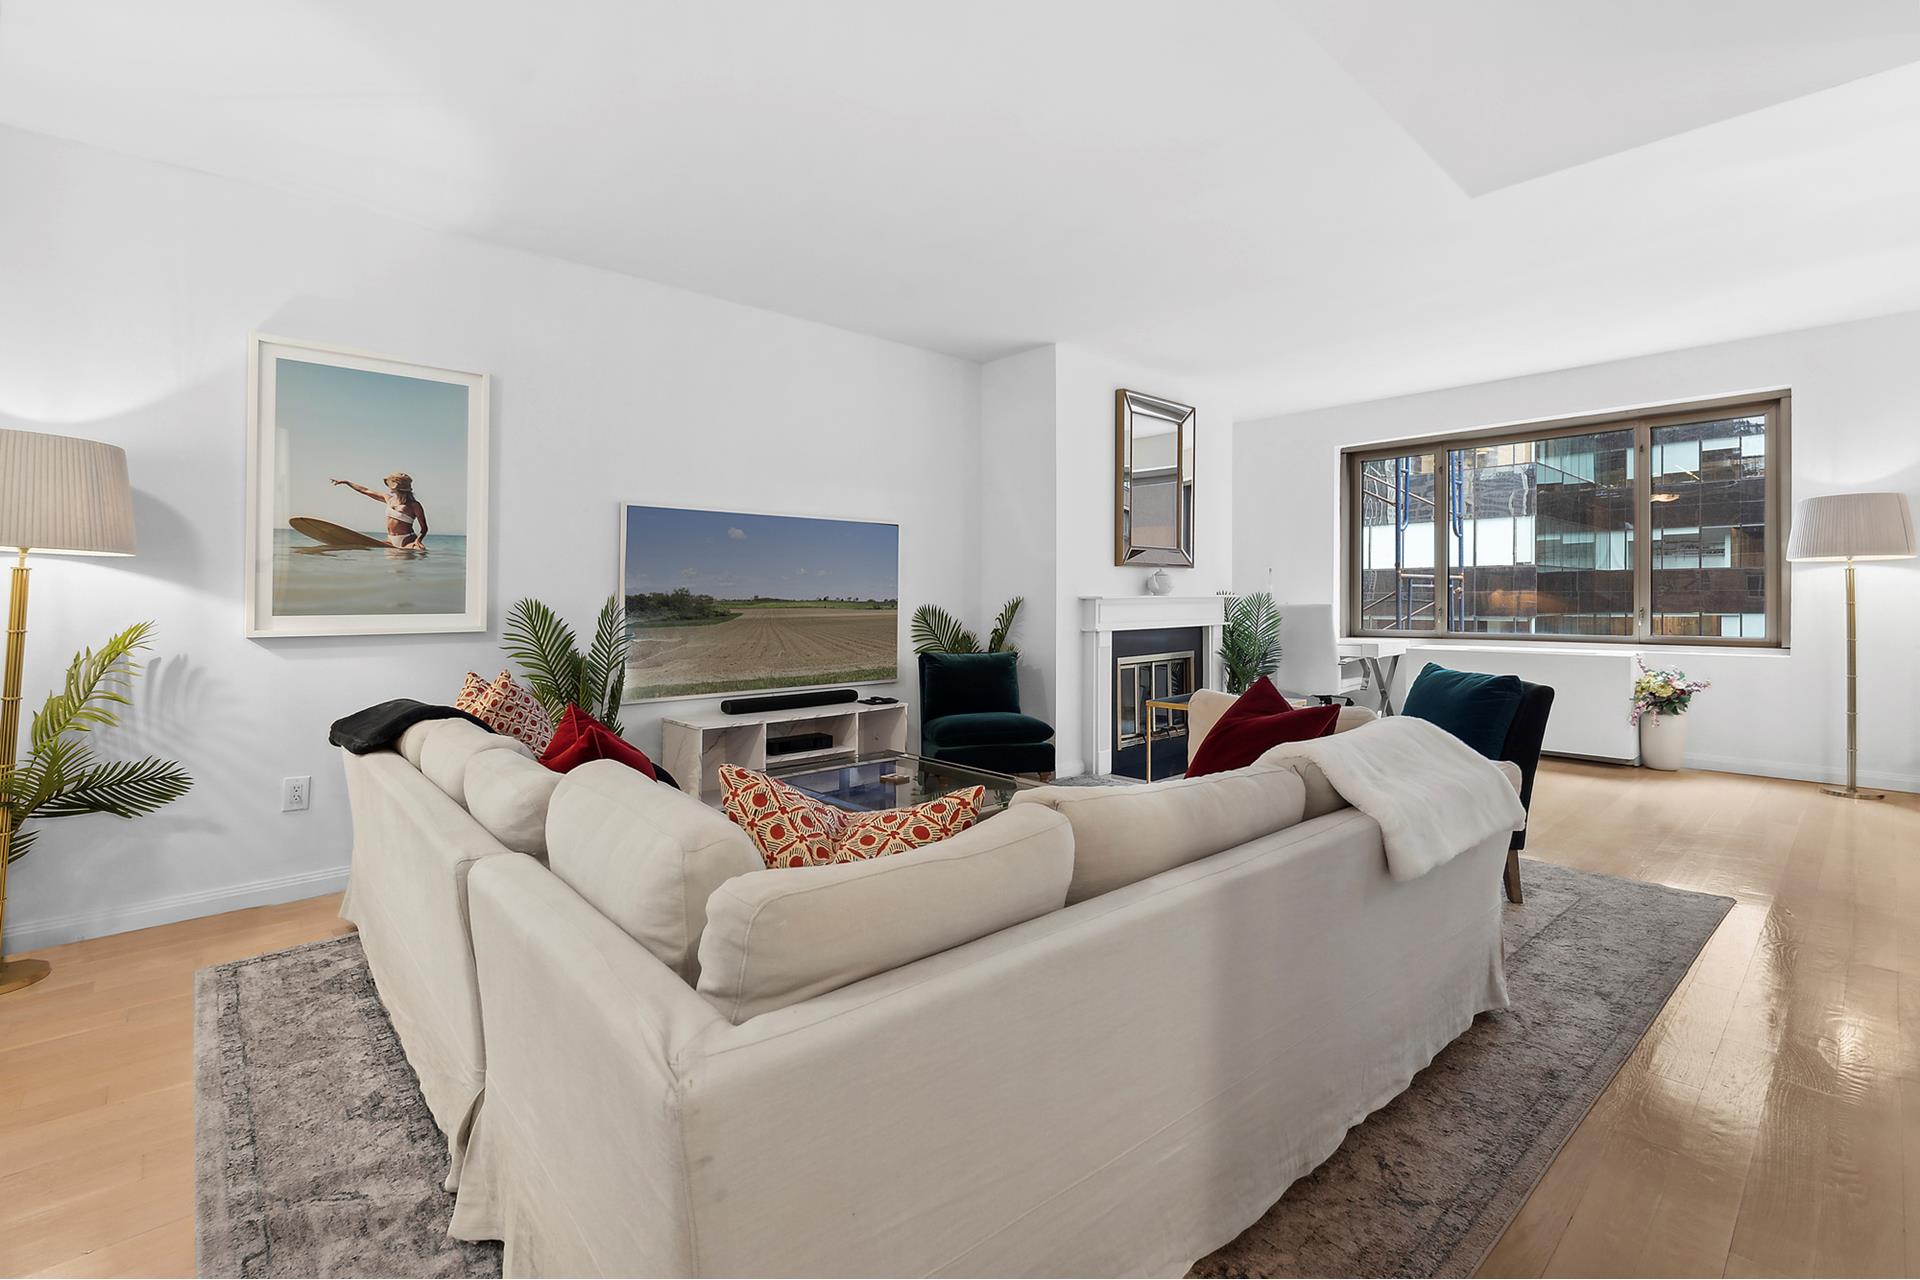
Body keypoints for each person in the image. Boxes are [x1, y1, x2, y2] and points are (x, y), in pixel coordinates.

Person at [330, 472, 428, 549]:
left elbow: (424, 528)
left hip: (408, 541)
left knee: (420, 553)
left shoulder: (414, 505)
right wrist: (347, 482)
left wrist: (418, 541)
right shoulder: (388, 499)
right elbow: (365, 491)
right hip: (390, 540)